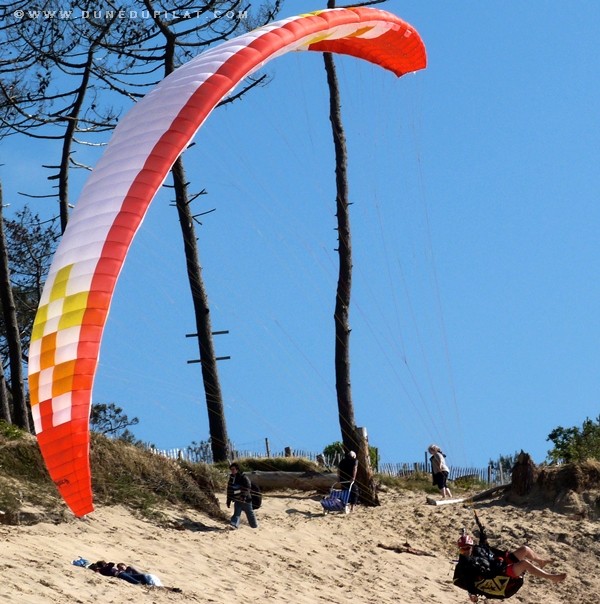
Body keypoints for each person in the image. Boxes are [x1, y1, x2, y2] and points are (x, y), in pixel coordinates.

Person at [453, 533, 566, 602]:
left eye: (467, 548)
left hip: (498, 563)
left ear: (472, 546)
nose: (464, 552)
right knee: (524, 564)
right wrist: (471, 594)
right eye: (462, 550)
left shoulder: (477, 549)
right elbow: (468, 582)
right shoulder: (465, 564)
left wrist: (484, 541)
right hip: (498, 575)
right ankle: (551, 577)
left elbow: (487, 551)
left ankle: (540, 561)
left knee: (524, 550)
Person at [226, 462, 258, 529]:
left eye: (233, 469)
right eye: (231, 469)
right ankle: (234, 525)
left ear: (237, 469)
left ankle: (255, 527)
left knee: (250, 514)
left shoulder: (243, 477)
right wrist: (228, 500)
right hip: (237, 500)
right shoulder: (231, 478)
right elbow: (229, 489)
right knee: (236, 514)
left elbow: (248, 487)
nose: (232, 471)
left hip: (246, 500)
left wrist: (243, 496)